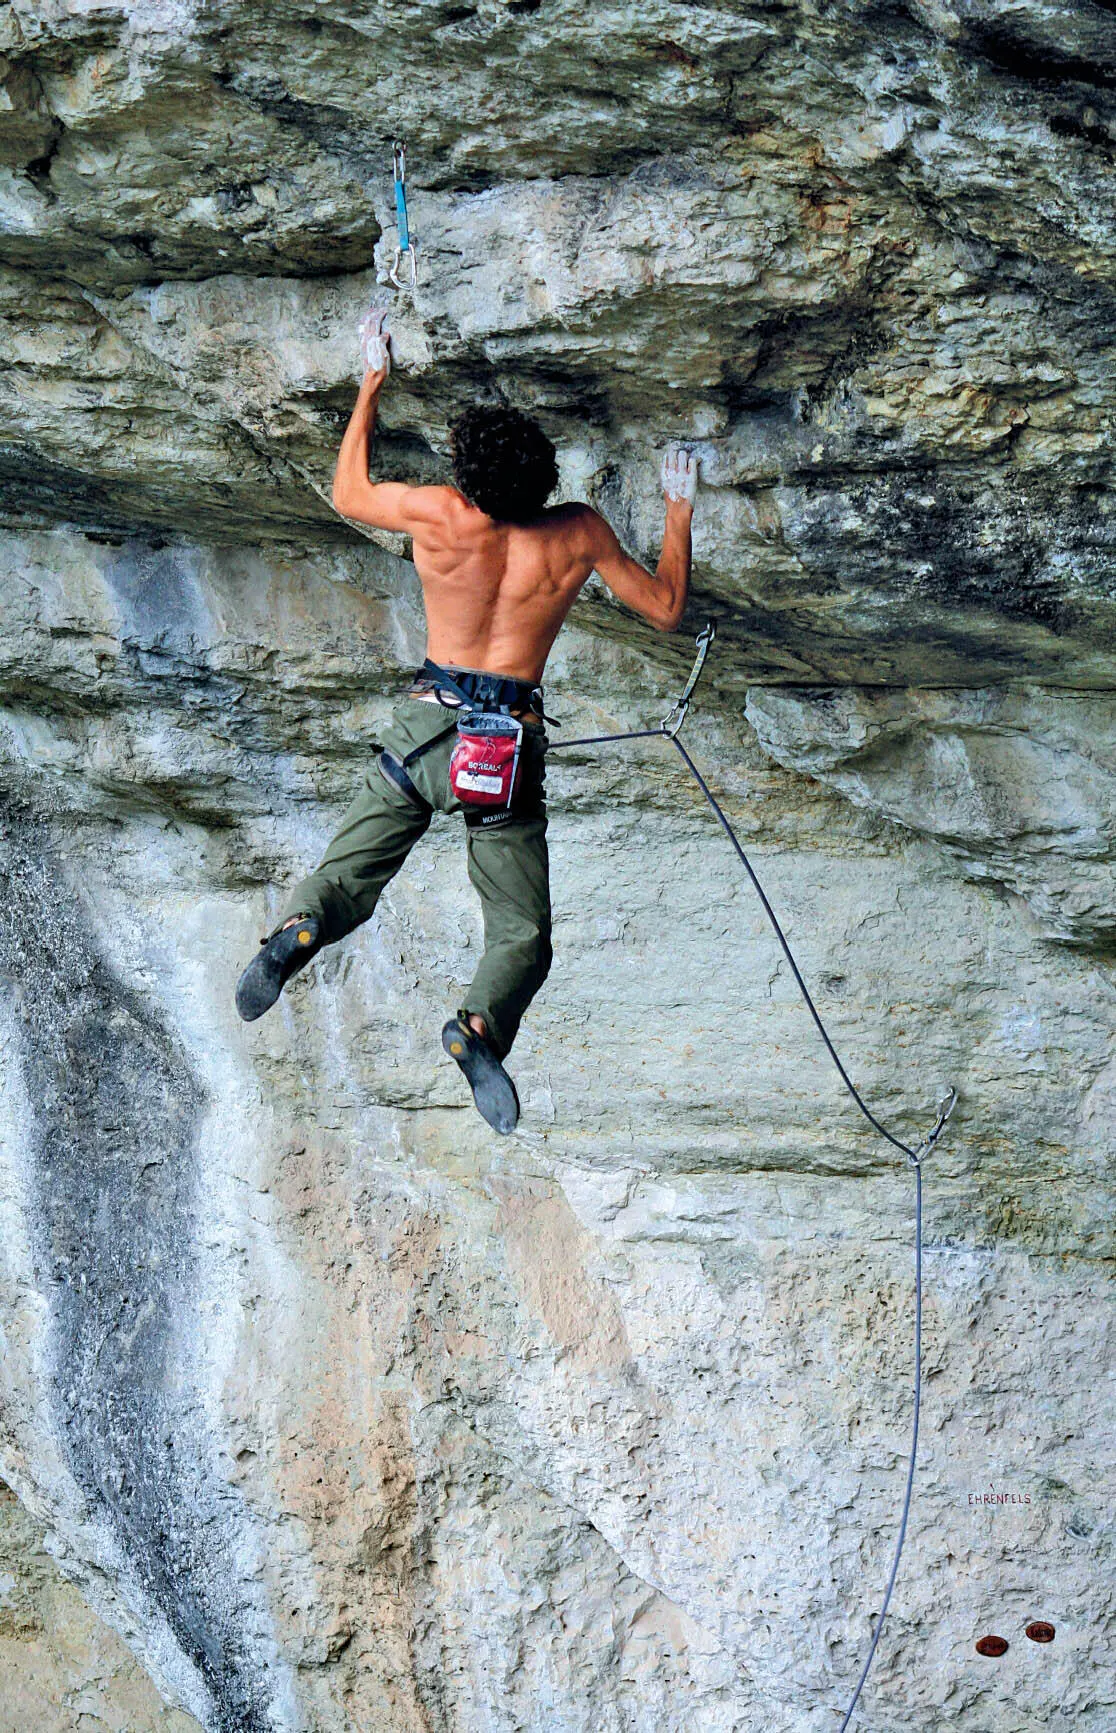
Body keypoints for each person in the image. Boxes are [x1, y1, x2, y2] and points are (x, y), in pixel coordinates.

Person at [235, 308, 699, 1133]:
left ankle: (301, 929)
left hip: (422, 733)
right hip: (502, 753)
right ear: (543, 479)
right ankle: (478, 1026)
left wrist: (371, 379)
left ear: (467, 476)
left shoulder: (440, 515)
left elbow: (347, 490)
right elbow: (664, 608)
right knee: (520, 930)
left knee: (350, 875)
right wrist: (677, 509)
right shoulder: (577, 532)